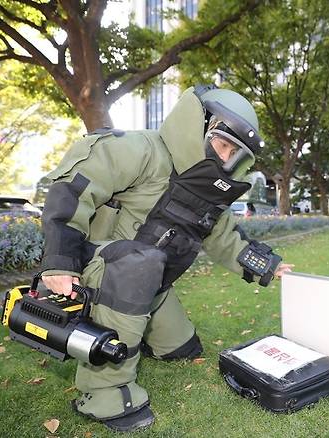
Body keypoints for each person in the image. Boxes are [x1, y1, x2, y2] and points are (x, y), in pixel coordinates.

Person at [40, 84, 293, 432]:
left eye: (235, 153)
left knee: (183, 348)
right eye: (222, 144)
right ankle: (104, 392)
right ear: (199, 125)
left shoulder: (206, 192)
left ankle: (138, 332)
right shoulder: (140, 150)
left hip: (151, 285)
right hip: (100, 271)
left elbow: (224, 238)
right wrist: (59, 262)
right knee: (140, 262)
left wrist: (269, 266)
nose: (226, 159)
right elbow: (73, 189)